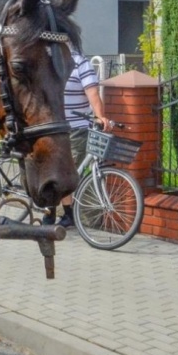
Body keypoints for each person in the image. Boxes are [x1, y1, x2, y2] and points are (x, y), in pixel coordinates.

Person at [43, 49, 109, 228]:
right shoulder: (47, 61)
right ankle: (60, 214)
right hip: (53, 128)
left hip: (76, 130)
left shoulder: (80, 63)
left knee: (66, 173)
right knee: (55, 172)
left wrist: (100, 116)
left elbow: (93, 93)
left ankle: (63, 215)